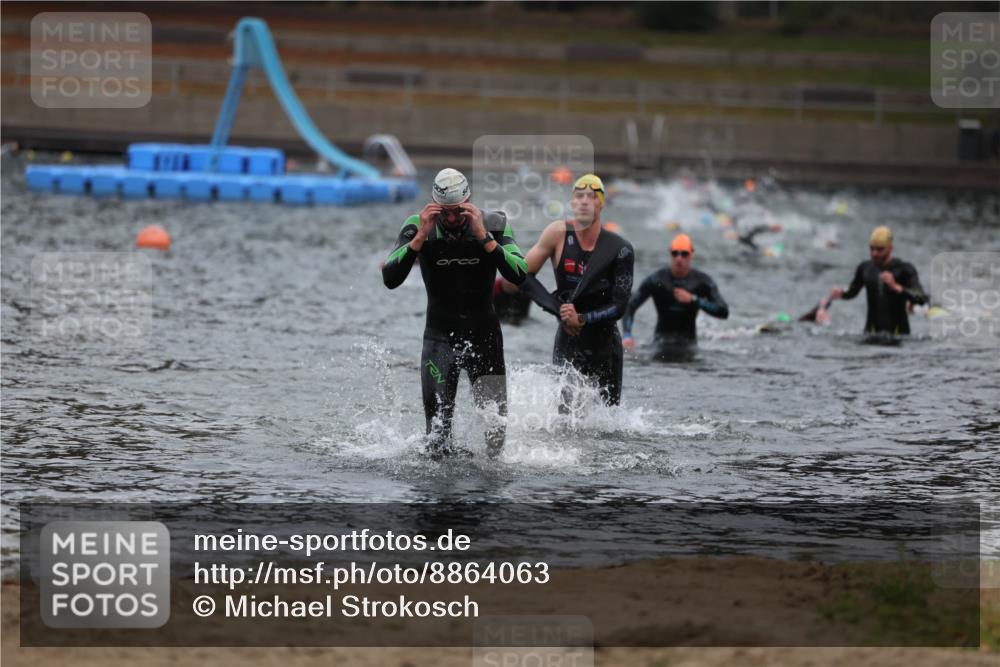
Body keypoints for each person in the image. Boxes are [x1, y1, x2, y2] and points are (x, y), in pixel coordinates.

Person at [382, 168, 528, 458]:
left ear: (469, 201)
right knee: (437, 438)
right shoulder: (418, 225)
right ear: (434, 205)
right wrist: (420, 237)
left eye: (458, 212)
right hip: (439, 340)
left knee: (495, 439)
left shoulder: (494, 223)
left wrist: (485, 239)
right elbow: (390, 278)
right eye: (444, 212)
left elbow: (520, 273)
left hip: (485, 338)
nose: (450, 219)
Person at [523, 174, 634, 407]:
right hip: (568, 340)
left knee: (608, 424)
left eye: (592, 196)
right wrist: (560, 311)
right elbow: (522, 274)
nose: (584, 201)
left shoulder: (620, 248)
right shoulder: (557, 234)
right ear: (572, 203)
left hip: (605, 344)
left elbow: (620, 306)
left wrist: (581, 318)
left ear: (601, 203)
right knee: (564, 418)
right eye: (579, 196)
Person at [622, 233, 729, 356]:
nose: (679, 258)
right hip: (660, 344)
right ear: (670, 254)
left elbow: (724, 311)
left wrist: (694, 300)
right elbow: (630, 306)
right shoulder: (657, 280)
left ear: (691, 254)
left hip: (689, 346)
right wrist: (627, 336)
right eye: (675, 253)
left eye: (684, 254)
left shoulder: (702, 282)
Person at [828, 225, 927, 337]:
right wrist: (841, 293)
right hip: (870, 336)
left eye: (879, 249)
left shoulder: (905, 269)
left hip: (899, 339)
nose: (874, 253)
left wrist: (896, 287)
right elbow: (852, 292)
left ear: (890, 248)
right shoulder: (865, 268)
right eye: (872, 248)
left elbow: (921, 298)